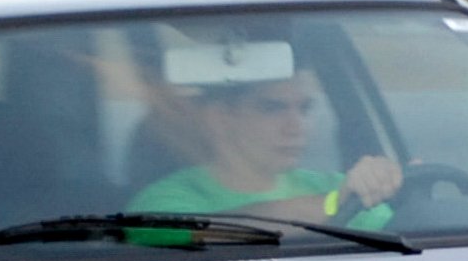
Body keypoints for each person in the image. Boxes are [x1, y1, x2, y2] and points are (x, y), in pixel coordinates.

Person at [127, 74, 402, 230]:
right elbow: (221, 234)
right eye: (272, 108)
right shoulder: (162, 202)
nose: (296, 127)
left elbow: (401, 233)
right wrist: (334, 204)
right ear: (220, 118)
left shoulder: (332, 185)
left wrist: (396, 186)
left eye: (304, 109)